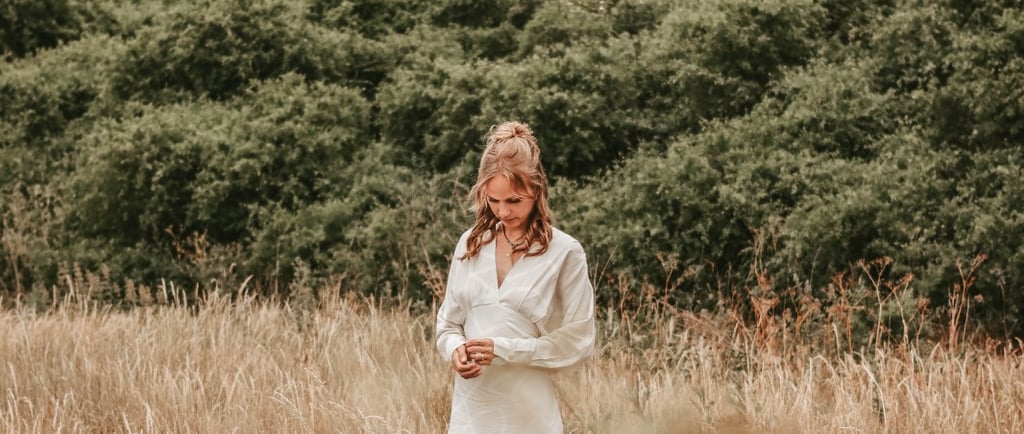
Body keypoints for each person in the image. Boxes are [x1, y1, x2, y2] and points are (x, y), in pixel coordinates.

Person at [435, 121, 597, 433]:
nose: (503, 212)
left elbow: (577, 342)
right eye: (493, 200)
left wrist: (504, 350)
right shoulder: (471, 243)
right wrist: (455, 348)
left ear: (536, 191)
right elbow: (447, 325)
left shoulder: (565, 252)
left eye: (514, 201)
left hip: (527, 414)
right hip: (471, 413)